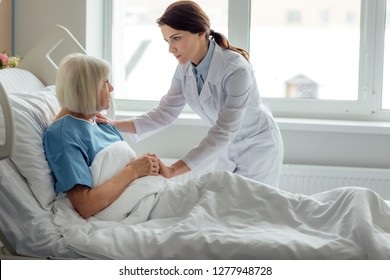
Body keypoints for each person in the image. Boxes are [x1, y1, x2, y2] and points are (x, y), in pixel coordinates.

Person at [97, 0, 284, 186]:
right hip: (227, 148)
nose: (170, 49)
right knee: (226, 207)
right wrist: (114, 125)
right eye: (167, 40)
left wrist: (173, 170)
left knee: (253, 211)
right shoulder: (185, 67)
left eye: (176, 38)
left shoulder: (236, 70)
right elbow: (164, 113)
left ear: (201, 33)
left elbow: (223, 130)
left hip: (258, 147)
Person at [43, 53, 160, 219]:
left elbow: (124, 166)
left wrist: (146, 165)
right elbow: (85, 205)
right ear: (87, 89)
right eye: (105, 83)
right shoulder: (63, 135)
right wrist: (134, 170)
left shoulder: (99, 122)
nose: (112, 88)